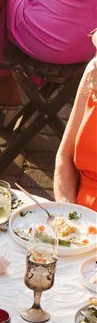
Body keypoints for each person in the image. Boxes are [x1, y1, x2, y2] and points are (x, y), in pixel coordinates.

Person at [54, 33, 97, 207]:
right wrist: (66, 208)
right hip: (80, 213)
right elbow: (65, 156)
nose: (92, 69)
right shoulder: (94, 72)